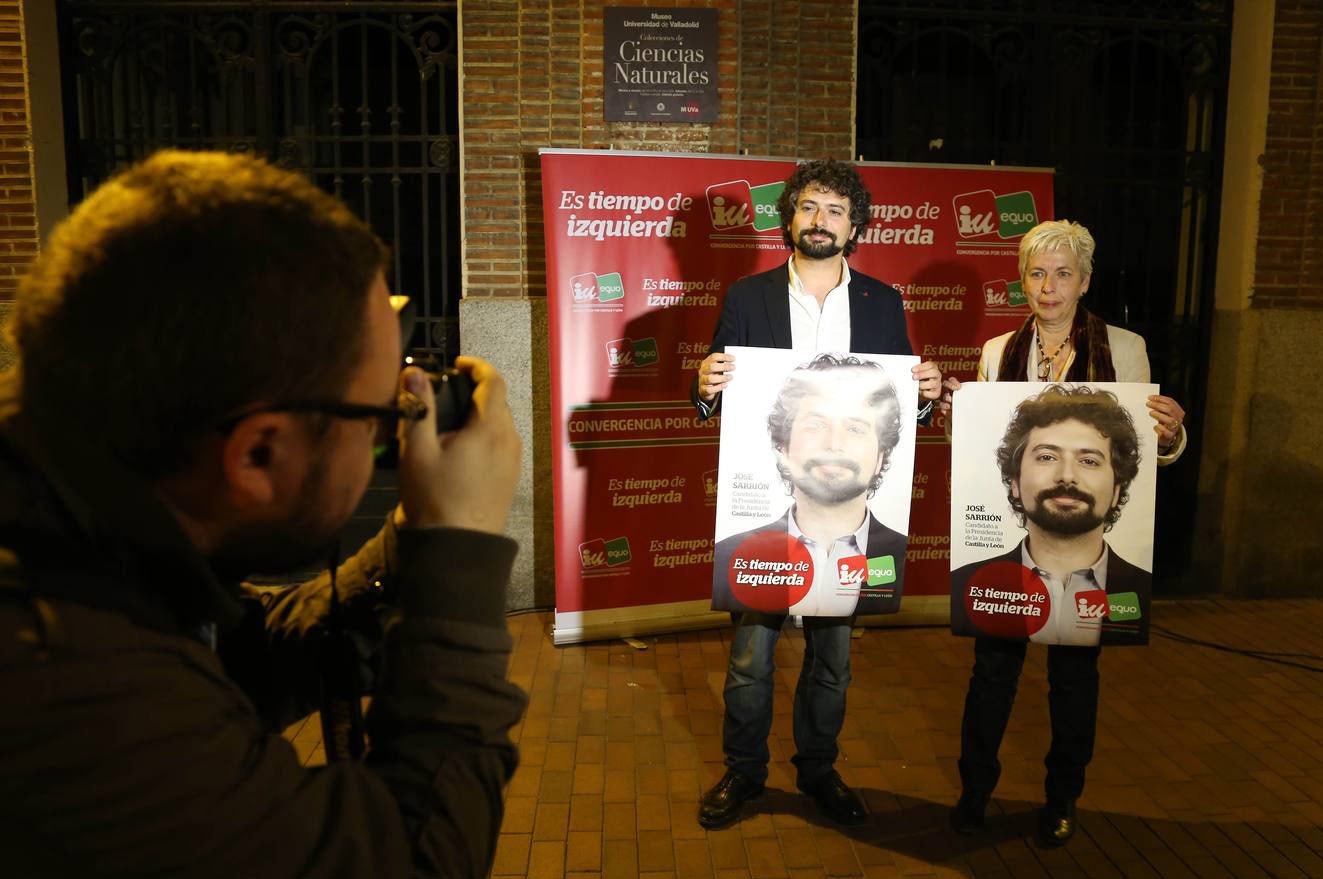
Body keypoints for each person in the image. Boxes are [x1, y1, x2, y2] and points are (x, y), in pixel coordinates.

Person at [0, 151, 526, 877]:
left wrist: (413, 536)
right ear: (255, 456)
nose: (394, 434)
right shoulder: (65, 688)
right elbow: (412, 857)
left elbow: (238, 651)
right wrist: (462, 551)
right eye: (380, 412)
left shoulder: (65, 500)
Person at [693, 158, 942, 829]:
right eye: (809, 207)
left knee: (832, 660)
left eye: (835, 209)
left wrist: (924, 398)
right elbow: (717, 397)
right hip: (766, 519)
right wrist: (705, 382)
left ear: (854, 224)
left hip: (851, 524)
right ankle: (743, 772)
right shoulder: (747, 297)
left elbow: (899, 405)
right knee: (750, 659)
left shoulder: (882, 303)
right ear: (789, 218)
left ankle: (818, 769)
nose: (820, 220)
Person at [941, 219, 1187, 848]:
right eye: (1036, 273)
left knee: (1074, 679)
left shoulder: (1125, 349)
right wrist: (954, 418)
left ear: (1084, 281)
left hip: (1086, 546)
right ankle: (975, 791)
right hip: (1011, 541)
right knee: (991, 673)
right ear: (1022, 279)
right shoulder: (998, 350)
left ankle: (1061, 797)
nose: (1048, 287)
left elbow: (1141, 447)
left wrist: (1170, 433)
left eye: (1063, 274)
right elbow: (985, 451)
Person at [950, 385, 1151, 648]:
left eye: (1089, 461)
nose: (1067, 475)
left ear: (1116, 490)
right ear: (1015, 481)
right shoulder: (966, 585)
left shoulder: (1141, 589)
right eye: (1047, 457)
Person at [711, 353, 908, 618]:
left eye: (855, 428)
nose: (833, 444)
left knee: (833, 659)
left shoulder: (899, 557)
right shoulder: (730, 556)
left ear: (880, 457)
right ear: (784, 445)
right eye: (815, 425)